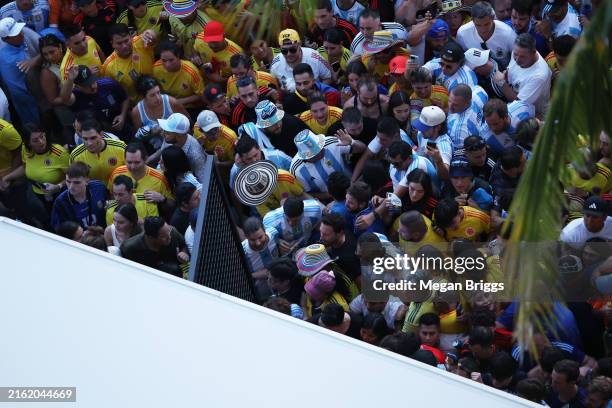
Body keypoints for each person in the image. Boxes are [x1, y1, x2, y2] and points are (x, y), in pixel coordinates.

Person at [290, 129, 364, 202]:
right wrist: (333, 195)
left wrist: (352, 142)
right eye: (315, 153)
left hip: (351, 187)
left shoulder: (331, 142)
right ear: (305, 156)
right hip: (327, 201)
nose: (320, 153)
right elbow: (304, 194)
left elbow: (363, 148)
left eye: (320, 148)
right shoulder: (296, 170)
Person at [60, 65, 129, 135]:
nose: (93, 86)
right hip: (94, 135)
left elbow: (125, 98)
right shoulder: (77, 95)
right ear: (78, 86)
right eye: (87, 85)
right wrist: (70, 79)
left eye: (92, 81)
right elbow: (64, 99)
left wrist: (122, 115)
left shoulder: (109, 84)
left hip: (120, 126)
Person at [499, 33, 552, 118]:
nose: (517, 60)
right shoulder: (519, 51)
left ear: (533, 53)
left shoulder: (539, 76)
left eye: (522, 57)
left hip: (534, 115)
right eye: (515, 54)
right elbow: (511, 69)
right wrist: (506, 73)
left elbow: (518, 105)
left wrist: (501, 83)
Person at [101, 23, 157, 104]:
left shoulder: (142, 42)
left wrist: (149, 33)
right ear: (112, 44)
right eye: (119, 43)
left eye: (126, 40)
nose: (124, 46)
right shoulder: (108, 67)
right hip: (138, 107)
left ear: (131, 37)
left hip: (158, 94)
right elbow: (113, 93)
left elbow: (153, 36)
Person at [108, 142, 175, 210]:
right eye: (129, 162)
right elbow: (111, 197)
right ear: (125, 160)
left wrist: (163, 199)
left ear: (145, 159)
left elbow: (172, 204)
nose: (133, 167)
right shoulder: (116, 173)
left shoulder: (160, 179)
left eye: (137, 162)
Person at [0, 17, 41, 126]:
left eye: (20, 30)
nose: (22, 34)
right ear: (6, 39)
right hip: (29, 99)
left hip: (26, 98)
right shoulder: (14, 59)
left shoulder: (12, 46)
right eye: (16, 34)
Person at [120, 215, 190, 278]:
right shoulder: (129, 247)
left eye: (168, 231)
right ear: (151, 238)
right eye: (164, 237)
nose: (169, 237)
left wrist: (184, 253)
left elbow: (183, 245)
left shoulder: (173, 232)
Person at [456, 1, 516, 70]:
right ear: (472, 20)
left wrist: (506, 73)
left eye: (486, 24)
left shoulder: (508, 33)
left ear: (493, 18)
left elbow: (517, 59)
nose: (483, 30)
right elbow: (460, 58)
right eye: (478, 25)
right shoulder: (462, 33)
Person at [240, 100, 308, 158]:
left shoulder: (294, 124)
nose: (278, 125)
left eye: (278, 119)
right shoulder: (253, 133)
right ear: (263, 126)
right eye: (272, 124)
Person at [51, 161, 107, 231]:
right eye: (68, 181)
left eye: (77, 182)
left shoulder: (99, 188)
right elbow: (60, 229)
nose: (71, 187)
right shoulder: (61, 202)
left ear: (87, 181)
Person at [271, 28, 332, 93]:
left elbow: (327, 77)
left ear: (299, 44)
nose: (289, 54)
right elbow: (275, 86)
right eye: (284, 51)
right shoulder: (276, 64)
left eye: (292, 50)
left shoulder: (314, 57)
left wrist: (318, 95)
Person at [155, 113, 207, 183]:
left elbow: (203, 182)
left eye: (167, 133)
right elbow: (162, 162)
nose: (163, 134)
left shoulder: (196, 155)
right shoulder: (168, 139)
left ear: (179, 135)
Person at [69, 118, 126, 183]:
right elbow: (73, 180)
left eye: (93, 138)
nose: (89, 143)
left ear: (101, 134)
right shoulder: (75, 156)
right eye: (85, 139)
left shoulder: (121, 148)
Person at [153, 40, 204, 111]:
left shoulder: (191, 71)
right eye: (164, 60)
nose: (167, 65)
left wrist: (180, 101)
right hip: (167, 105)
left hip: (188, 107)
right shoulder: (156, 68)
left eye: (171, 60)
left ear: (178, 57)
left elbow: (201, 95)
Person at [412, 106, 452, 180]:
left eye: (425, 127)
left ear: (438, 127)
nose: (420, 129)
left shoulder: (443, 145)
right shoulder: (421, 134)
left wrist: (438, 160)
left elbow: (445, 177)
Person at [446, 84, 483, 150]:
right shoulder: (479, 92)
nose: (450, 107)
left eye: (455, 105)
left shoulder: (460, 132)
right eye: (449, 101)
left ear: (467, 103)